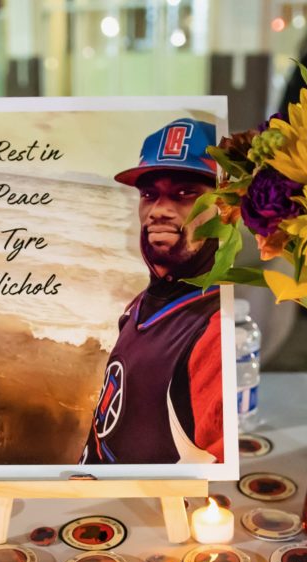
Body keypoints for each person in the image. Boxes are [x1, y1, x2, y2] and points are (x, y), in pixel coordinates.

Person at [79, 118, 225, 466]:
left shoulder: (214, 329)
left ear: (225, 206)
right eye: (149, 195)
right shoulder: (139, 306)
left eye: (185, 194)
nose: (159, 210)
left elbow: (218, 476)